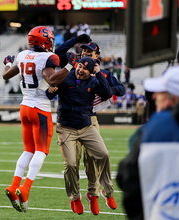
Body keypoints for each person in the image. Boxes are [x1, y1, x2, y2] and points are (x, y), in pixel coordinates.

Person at [2, 26, 78, 213]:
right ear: (44, 41)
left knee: (28, 149)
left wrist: (8, 62)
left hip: (24, 107)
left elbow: (6, 74)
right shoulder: (46, 58)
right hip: (40, 109)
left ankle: (13, 186)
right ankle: (25, 189)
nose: (52, 44)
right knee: (41, 151)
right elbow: (52, 80)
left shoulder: (22, 55)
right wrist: (70, 66)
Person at [56, 39, 124, 215]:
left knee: (95, 159)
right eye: (83, 50)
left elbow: (118, 90)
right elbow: (58, 53)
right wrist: (75, 39)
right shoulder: (71, 68)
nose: (85, 53)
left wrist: (100, 78)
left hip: (89, 120)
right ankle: (76, 197)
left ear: (97, 57)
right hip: (68, 123)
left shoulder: (101, 75)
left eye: (90, 51)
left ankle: (95, 194)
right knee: (72, 162)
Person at [46, 57, 114, 215]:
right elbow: (49, 93)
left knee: (103, 154)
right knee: (70, 164)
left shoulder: (94, 81)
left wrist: (99, 73)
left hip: (86, 127)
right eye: (79, 66)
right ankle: (75, 197)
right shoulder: (66, 76)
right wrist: (50, 90)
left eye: (85, 68)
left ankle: (107, 192)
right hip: (66, 128)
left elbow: (107, 93)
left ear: (90, 72)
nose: (80, 69)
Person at [116, 66, 179, 220]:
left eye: (160, 93)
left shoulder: (152, 130)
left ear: (173, 99)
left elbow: (127, 178)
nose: (154, 97)